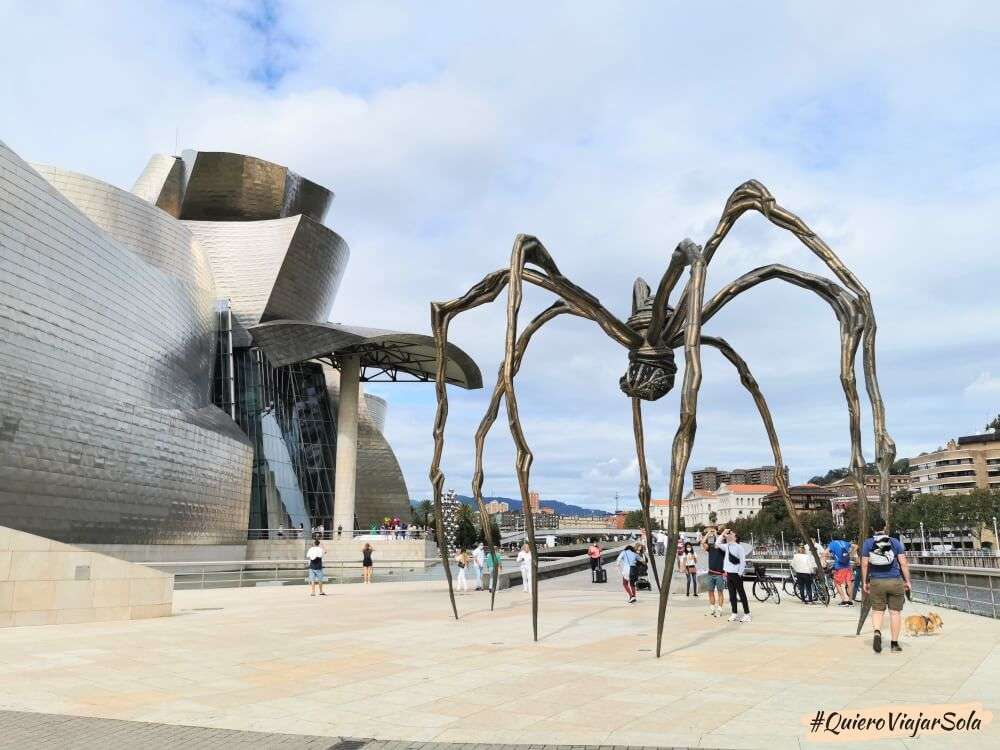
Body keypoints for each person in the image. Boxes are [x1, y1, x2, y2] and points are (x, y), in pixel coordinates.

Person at [861, 520, 911, 654]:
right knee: (895, 613)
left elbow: (865, 564)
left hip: (876, 581)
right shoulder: (894, 542)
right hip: (895, 580)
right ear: (885, 527)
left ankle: (877, 632)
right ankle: (894, 644)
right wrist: (907, 581)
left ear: (872, 528)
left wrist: (865, 582)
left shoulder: (868, 543)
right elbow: (903, 563)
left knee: (877, 611)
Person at [716, 528, 750, 622]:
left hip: (736, 574)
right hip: (728, 574)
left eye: (731, 534)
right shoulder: (727, 546)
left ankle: (747, 614)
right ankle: (734, 613)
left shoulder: (739, 547)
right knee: (732, 595)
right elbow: (717, 544)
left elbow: (743, 561)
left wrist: (739, 573)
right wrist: (723, 533)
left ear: (735, 538)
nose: (729, 534)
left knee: (741, 594)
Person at [701, 527, 726, 616]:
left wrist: (716, 533)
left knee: (720, 592)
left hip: (719, 573)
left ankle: (719, 609)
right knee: (710, 591)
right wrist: (708, 533)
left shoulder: (722, 548)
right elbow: (703, 542)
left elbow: (720, 541)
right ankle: (712, 608)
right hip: (710, 573)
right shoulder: (710, 547)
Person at [824, 536, 854, 606]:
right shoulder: (845, 543)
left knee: (837, 583)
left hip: (839, 567)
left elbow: (825, 553)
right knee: (849, 583)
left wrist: (824, 561)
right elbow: (856, 546)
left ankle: (844, 600)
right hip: (848, 566)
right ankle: (850, 600)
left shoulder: (832, 543)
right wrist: (851, 554)